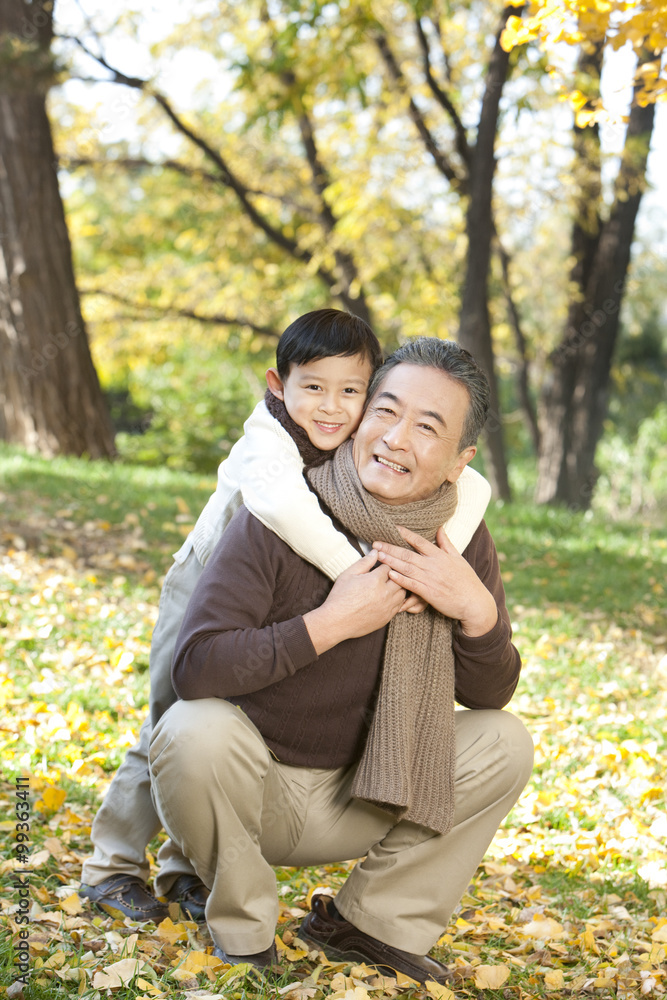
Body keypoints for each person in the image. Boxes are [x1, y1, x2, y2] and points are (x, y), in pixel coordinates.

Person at [79, 314, 491, 923]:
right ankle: (110, 865)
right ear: (277, 385)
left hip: (273, 585)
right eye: (313, 388)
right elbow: (287, 516)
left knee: (217, 727)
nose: (331, 408)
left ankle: (182, 870)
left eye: (351, 392)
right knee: (172, 719)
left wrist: (457, 582)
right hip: (203, 575)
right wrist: (359, 580)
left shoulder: (362, 444)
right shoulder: (268, 445)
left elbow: (473, 486)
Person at [148, 338, 534, 984]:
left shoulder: (456, 539)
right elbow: (196, 668)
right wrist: (328, 625)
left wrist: (477, 612)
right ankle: (241, 924)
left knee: (504, 740)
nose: (394, 438)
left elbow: (490, 692)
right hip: (250, 788)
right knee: (195, 729)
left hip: (369, 791)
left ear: (459, 463)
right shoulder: (281, 513)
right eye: (384, 410)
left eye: (427, 426)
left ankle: (367, 924)